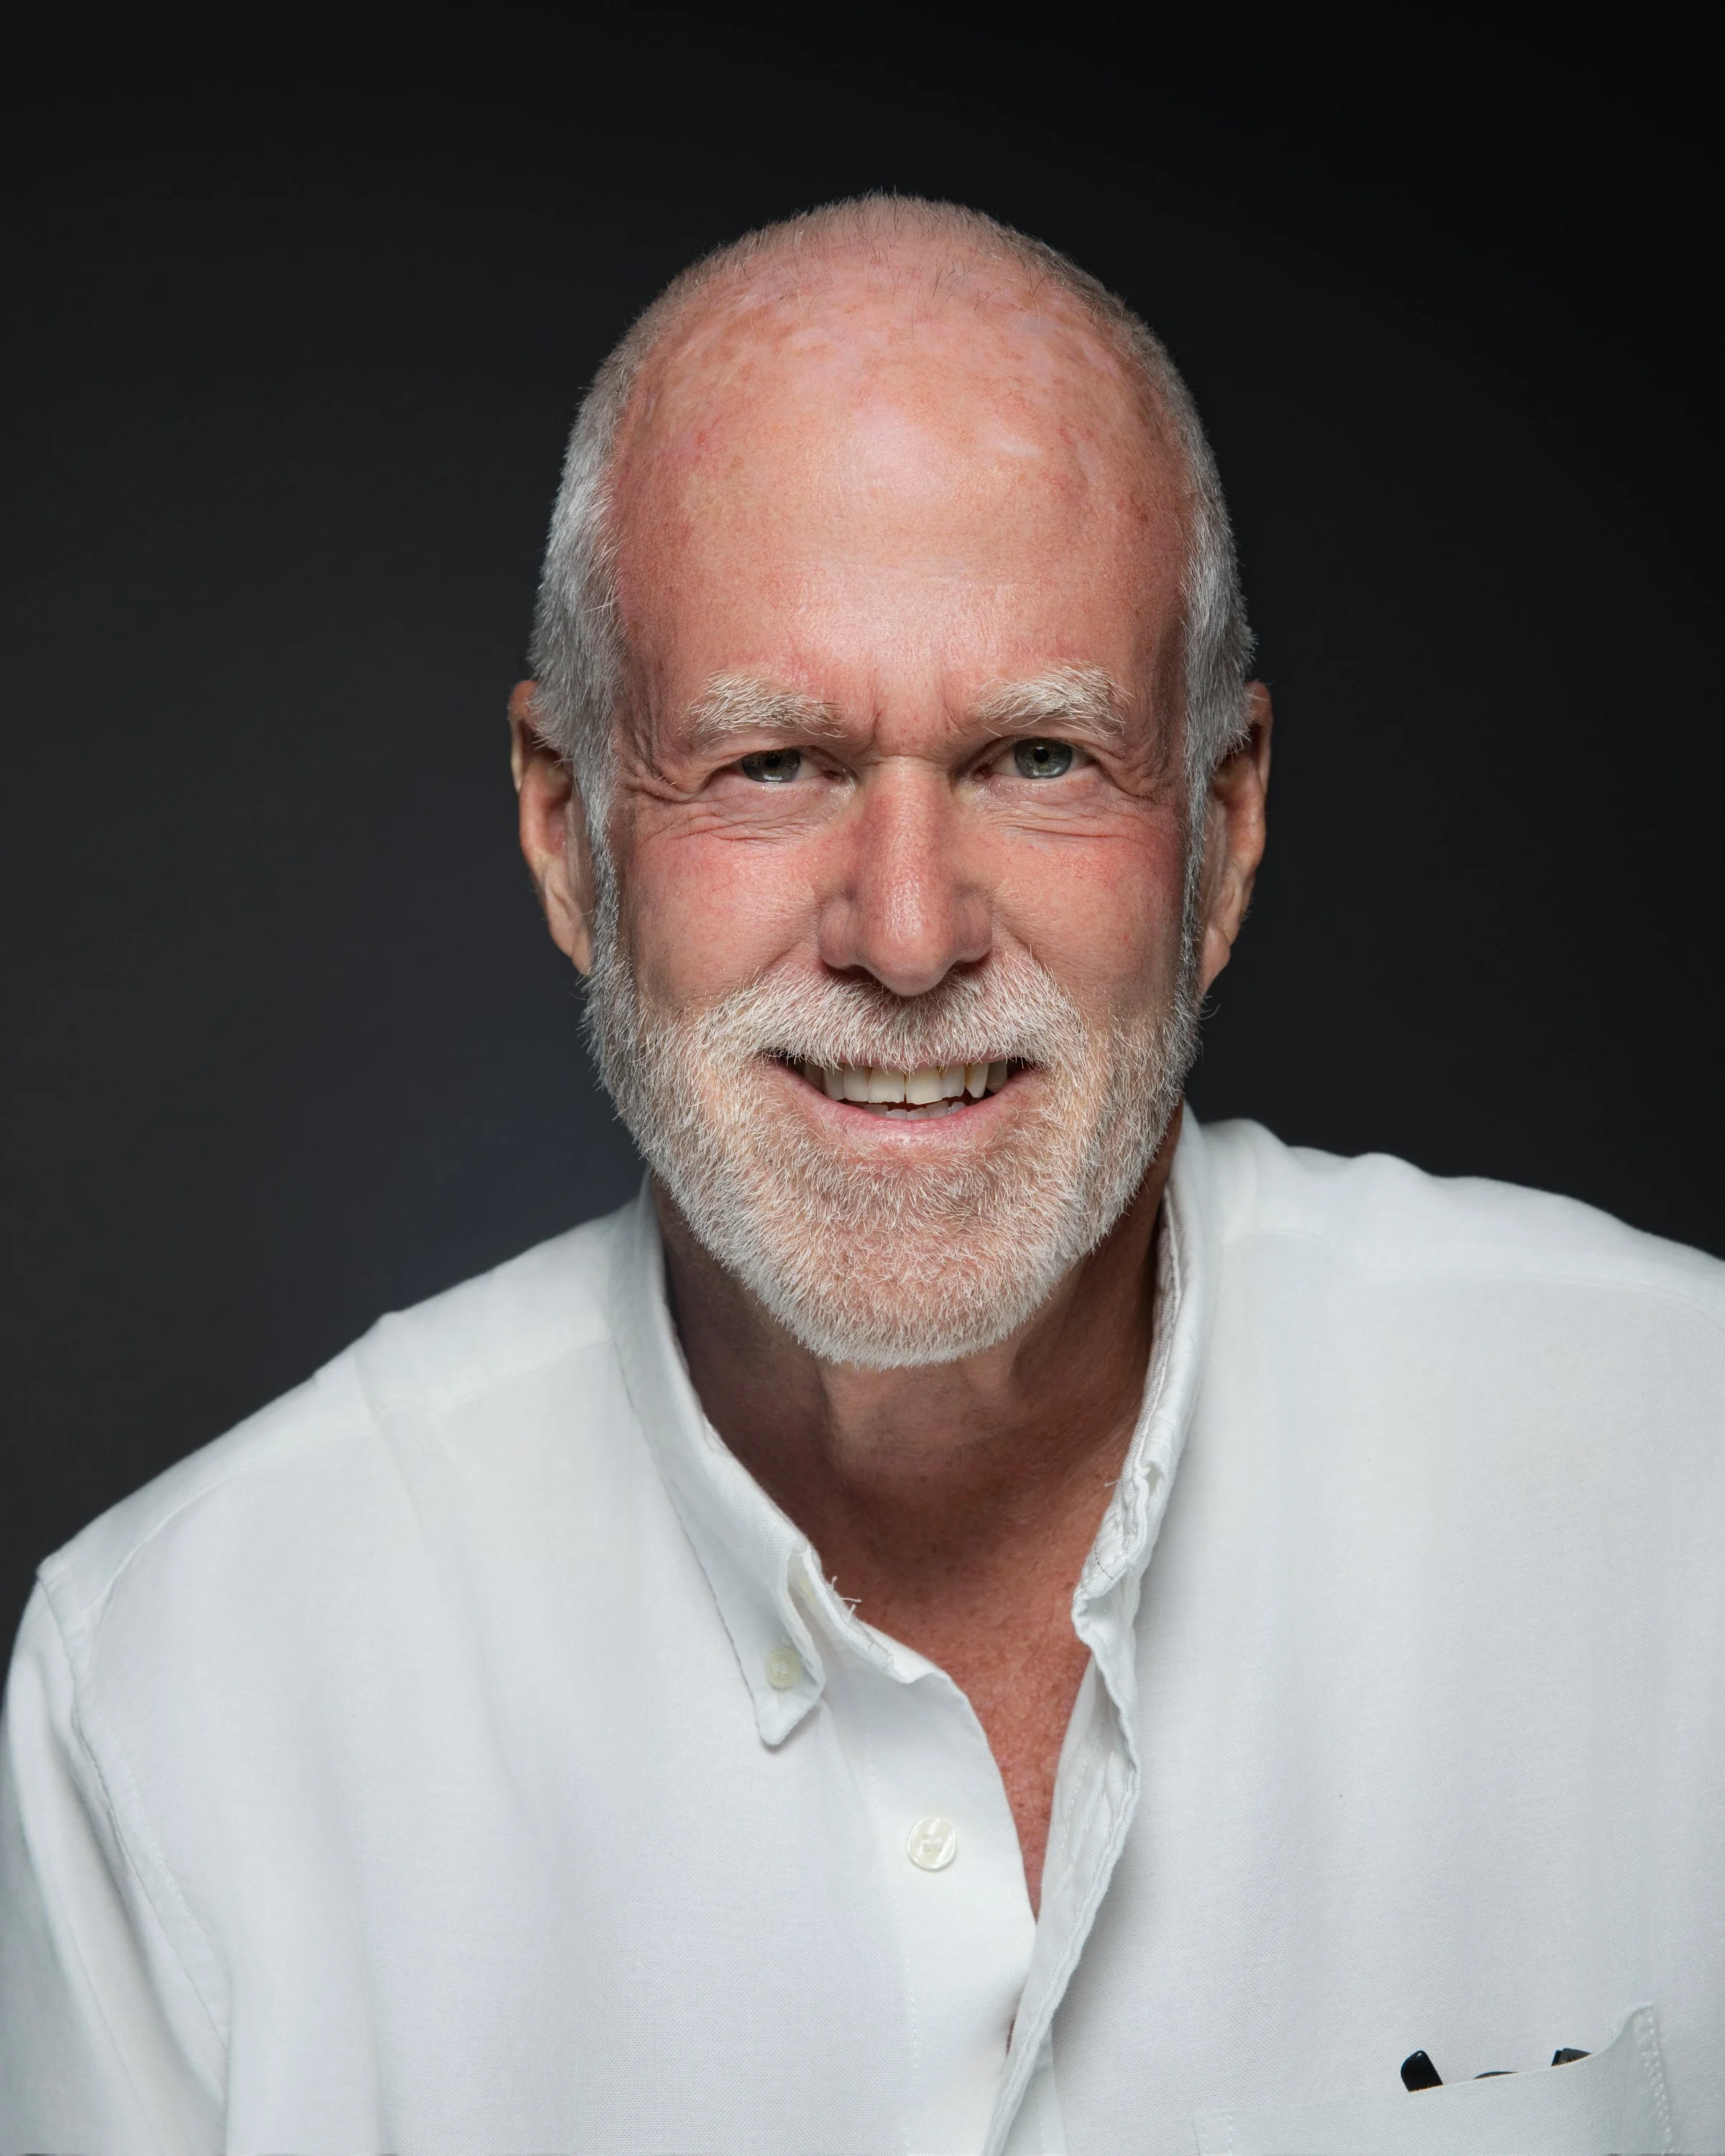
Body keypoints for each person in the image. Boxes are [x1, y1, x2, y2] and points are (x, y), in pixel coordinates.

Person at [1, 196, 1719, 2156]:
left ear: (1225, 832)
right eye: (775, 764)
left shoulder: (1691, 1492)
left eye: (1038, 758)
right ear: (569, 836)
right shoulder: (173, 1701)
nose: (907, 937)